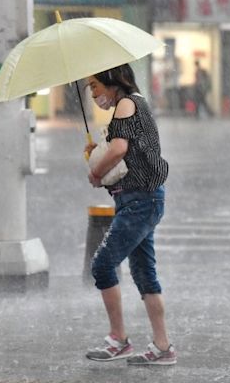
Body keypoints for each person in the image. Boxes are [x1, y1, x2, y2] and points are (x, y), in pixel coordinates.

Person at [83, 63, 176, 366]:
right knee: (144, 275)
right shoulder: (135, 104)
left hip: (140, 201)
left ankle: (118, 338)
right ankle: (162, 347)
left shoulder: (125, 103)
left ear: (111, 80)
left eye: (95, 86)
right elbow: (124, 148)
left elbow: (119, 149)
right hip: (140, 199)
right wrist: (98, 151)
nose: (93, 94)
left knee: (102, 265)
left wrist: (96, 171)